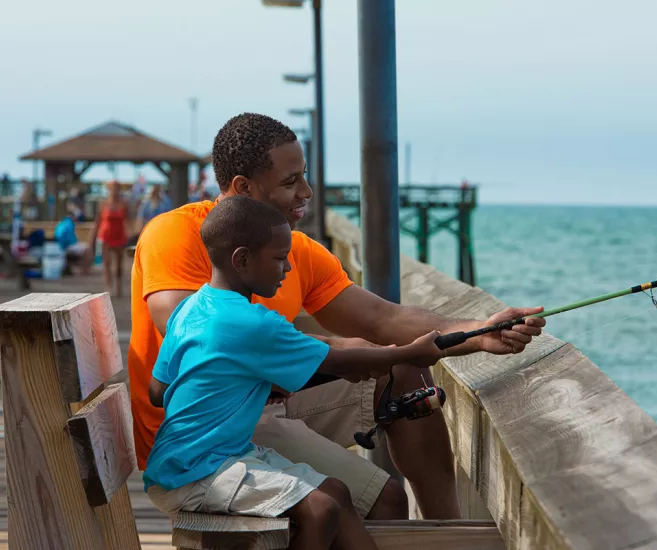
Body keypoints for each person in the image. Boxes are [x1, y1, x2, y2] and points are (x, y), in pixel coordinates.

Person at [129, 113, 546, 521]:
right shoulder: (175, 233)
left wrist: (479, 332)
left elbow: (382, 320)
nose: (307, 192)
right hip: (204, 431)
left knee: (404, 367)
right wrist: (326, 352)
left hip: (268, 400)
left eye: (305, 176)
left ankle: (444, 529)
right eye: (290, 181)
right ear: (243, 187)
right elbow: (186, 331)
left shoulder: (297, 251)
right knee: (383, 499)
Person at [144, 196, 444, 549]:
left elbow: (157, 390)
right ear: (241, 259)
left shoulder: (191, 308)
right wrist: (415, 351)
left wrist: (241, 383)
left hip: (200, 456)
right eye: (278, 258)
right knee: (320, 510)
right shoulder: (252, 323)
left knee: (336, 491)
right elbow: (335, 361)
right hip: (196, 471)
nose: (287, 268)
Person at [89, 180, 130, 296]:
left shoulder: (124, 204)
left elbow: (128, 220)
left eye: (117, 188)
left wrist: (132, 234)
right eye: (112, 188)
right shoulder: (103, 203)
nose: (115, 191)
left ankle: (118, 285)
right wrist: (92, 237)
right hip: (106, 235)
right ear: (109, 190)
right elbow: (97, 221)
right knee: (107, 263)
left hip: (119, 235)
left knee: (119, 264)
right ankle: (108, 286)